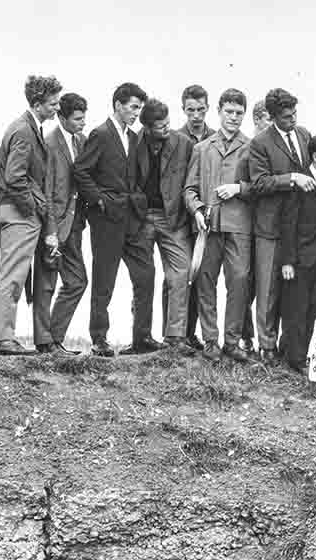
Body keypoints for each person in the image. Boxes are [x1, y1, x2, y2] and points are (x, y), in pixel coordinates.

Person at [73, 82, 158, 357]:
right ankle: (99, 340)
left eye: (139, 108)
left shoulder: (133, 138)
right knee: (104, 281)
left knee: (146, 275)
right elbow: (81, 171)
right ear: (118, 105)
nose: (136, 113)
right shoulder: (100, 134)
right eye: (133, 107)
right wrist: (99, 201)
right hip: (107, 220)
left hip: (132, 219)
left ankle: (142, 338)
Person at [0, 75, 61, 355]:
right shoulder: (23, 131)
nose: (57, 108)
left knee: (14, 274)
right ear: (37, 103)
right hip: (18, 213)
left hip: (18, 211)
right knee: (13, 275)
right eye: (53, 103)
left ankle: (3, 336)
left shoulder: (32, 128)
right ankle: (2, 338)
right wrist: (32, 210)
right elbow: (14, 177)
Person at [184, 88, 252, 363]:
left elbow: (259, 186)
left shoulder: (252, 147)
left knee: (239, 281)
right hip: (208, 226)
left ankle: (232, 342)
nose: (234, 117)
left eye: (239, 113)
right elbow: (189, 189)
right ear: (219, 111)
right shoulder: (201, 148)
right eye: (229, 112)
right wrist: (198, 210)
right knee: (205, 281)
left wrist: (238, 188)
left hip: (239, 226)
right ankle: (210, 341)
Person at [249, 88, 313, 363]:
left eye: (295, 114)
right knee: (268, 290)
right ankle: (267, 346)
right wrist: (291, 179)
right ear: (273, 117)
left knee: (294, 290)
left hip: (300, 227)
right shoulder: (260, 142)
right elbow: (259, 183)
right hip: (271, 226)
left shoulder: (304, 135)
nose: (293, 120)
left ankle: (290, 346)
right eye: (287, 117)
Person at [136, 98, 194, 353]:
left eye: (168, 123)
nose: (166, 128)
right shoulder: (133, 141)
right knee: (143, 278)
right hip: (142, 218)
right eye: (160, 126)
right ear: (147, 127)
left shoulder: (184, 144)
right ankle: (141, 338)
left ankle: (175, 337)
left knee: (180, 274)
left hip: (173, 219)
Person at [33, 92, 89, 355]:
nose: (83, 122)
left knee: (77, 281)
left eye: (84, 117)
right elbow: (47, 192)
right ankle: (45, 343)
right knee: (46, 283)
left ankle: (53, 339)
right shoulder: (50, 143)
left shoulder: (82, 140)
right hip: (53, 225)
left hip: (75, 223)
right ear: (61, 117)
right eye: (77, 119)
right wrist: (50, 231)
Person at [278, 134, 316, 372]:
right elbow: (288, 222)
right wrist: (288, 261)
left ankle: (314, 356)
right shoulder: (301, 182)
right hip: (302, 257)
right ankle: (296, 359)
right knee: (298, 308)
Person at [174, 85, 215, 350]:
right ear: (183, 110)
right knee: (181, 275)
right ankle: (179, 334)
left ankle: (198, 334)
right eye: (191, 110)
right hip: (181, 217)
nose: (196, 115)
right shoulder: (176, 137)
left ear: (208, 109)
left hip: (207, 218)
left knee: (203, 276)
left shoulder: (215, 137)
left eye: (201, 109)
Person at [240, 98, 273, 354]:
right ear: (258, 120)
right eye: (268, 120)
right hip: (245, 224)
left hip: (265, 226)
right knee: (245, 283)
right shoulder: (249, 147)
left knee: (264, 284)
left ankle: (260, 339)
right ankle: (246, 337)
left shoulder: (273, 147)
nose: (272, 126)